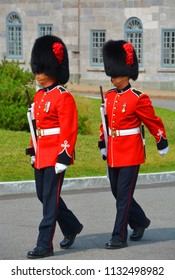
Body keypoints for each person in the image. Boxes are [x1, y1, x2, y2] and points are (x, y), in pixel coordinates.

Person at [98, 39, 169, 249]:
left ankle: (119, 237)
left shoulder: (138, 98)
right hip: (113, 151)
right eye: (112, 74)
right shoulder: (109, 97)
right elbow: (105, 124)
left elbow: (152, 120)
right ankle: (140, 221)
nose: (114, 78)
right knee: (118, 193)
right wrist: (103, 142)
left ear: (127, 73)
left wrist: (161, 140)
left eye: (117, 74)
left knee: (122, 198)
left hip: (130, 152)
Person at [26, 35, 83, 259]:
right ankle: (71, 226)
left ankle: (44, 244)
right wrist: (33, 150)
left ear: (53, 69)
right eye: (37, 69)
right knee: (44, 194)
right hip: (42, 152)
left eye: (42, 69)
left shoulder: (63, 96)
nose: (38, 74)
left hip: (56, 153)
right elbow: (36, 128)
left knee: (49, 199)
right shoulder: (39, 96)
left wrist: (64, 156)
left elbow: (69, 129)